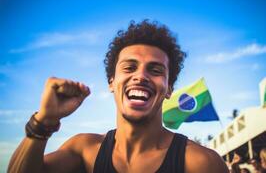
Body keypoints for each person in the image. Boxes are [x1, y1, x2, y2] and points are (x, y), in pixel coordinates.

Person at [8, 20, 229, 173]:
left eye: (155, 70)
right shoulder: (85, 149)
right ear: (111, 83)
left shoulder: (200, 162)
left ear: (169, 88)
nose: (140, 76)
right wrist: (44, 121)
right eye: (129, 67)